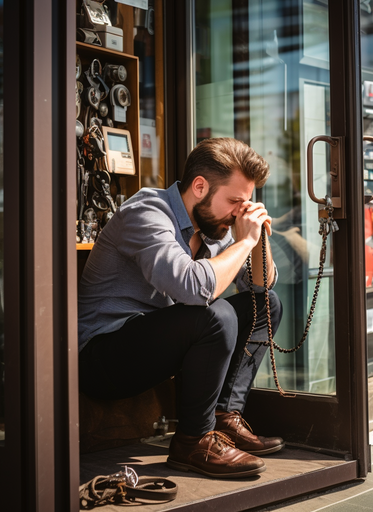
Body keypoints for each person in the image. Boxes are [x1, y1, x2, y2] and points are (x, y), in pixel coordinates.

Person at [78, 137, 284, 479]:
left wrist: (257, 236)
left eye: (246, 202)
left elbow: (261, 287)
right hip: (103, 357)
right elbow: (193, 288)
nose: (239, 212)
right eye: (235, 201)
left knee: (264, 304)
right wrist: (244, 241)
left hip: (154, 346)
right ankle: (192, 442)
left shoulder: (213, 227)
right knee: (214, 316)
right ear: (200, 187)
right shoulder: (147, 212)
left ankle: (223, 420)